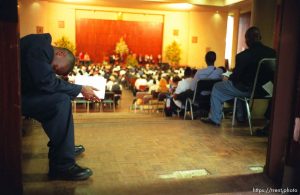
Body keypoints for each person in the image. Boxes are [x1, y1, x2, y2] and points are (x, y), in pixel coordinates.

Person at [20, 33, 99, 180]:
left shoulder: (39, 47)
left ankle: (64, 149)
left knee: (60, 99)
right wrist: (80, 89)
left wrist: (75, 89)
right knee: (60, 101)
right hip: (12, 96)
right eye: (55, 68)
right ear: (60, 53)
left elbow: (45, 81)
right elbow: (47, 82)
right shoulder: (40, 46)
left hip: (18, 93)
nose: (53, 70)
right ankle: (62, 165)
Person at [201, 26, 276, 126]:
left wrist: (228, 77)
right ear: (260, 37)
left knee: (218, 87)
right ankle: (241, 116)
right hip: (266, 91)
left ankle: (215, 119)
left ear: (247, 40)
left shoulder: (242, 56)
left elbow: (236, 77)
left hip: (246, 90)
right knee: (238, 86)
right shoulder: (272, 53)